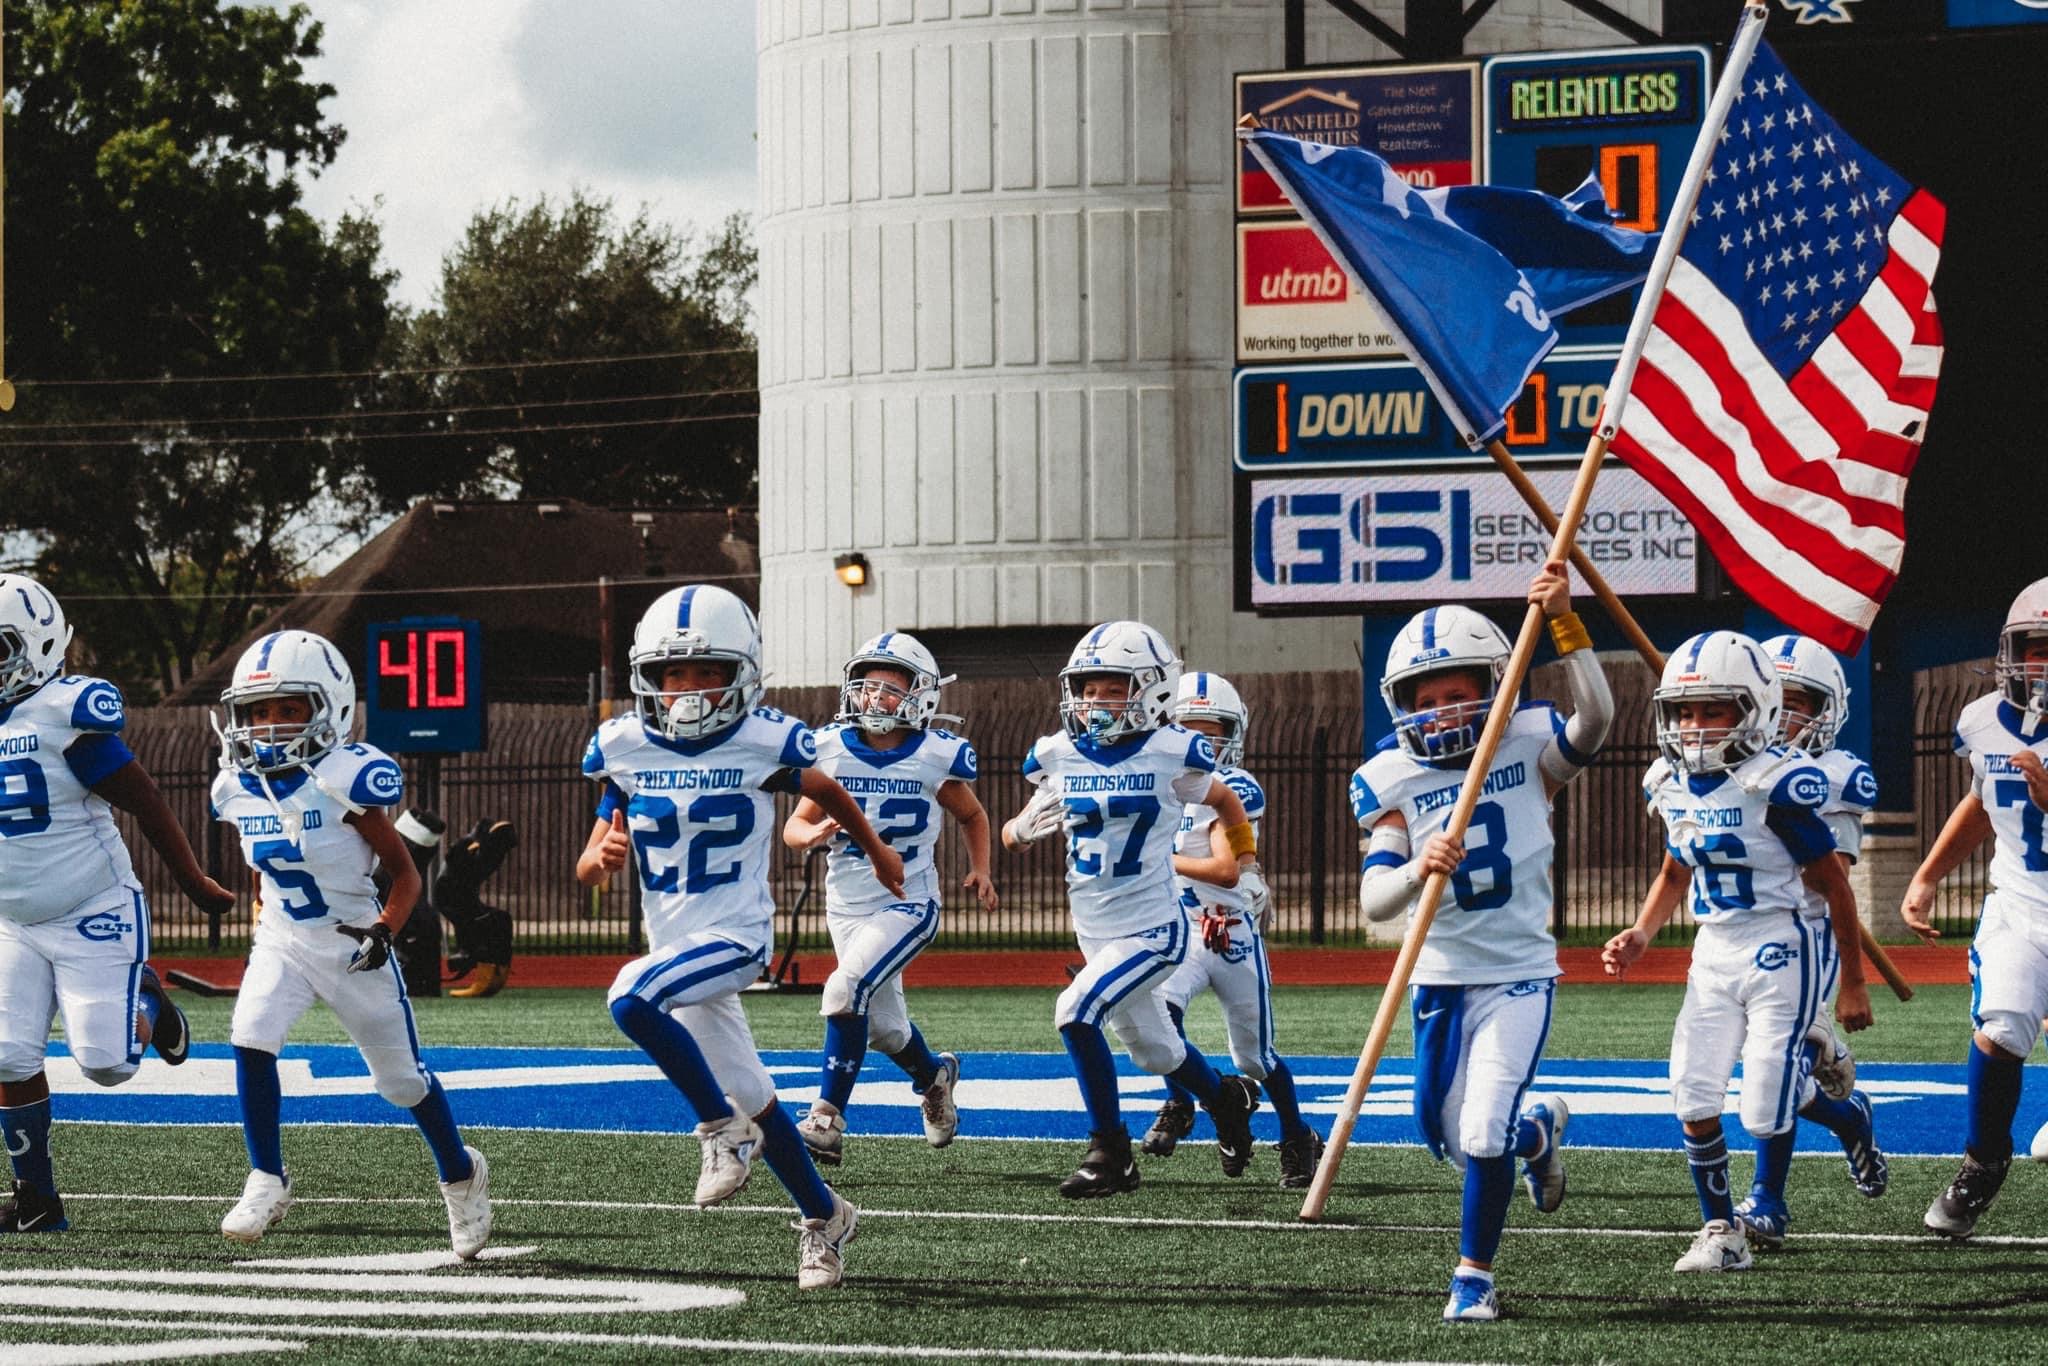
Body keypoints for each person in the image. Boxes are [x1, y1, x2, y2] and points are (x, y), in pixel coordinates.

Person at [577, 584, 903, 1289]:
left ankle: (719, 1135)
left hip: (735, 936)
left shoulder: (767, 738)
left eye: (706, 672)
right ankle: (826, 1217)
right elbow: (592, 850)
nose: (687, 689)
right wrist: (597, 859)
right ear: (649, 679)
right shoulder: (624, 745)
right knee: (755, 1093)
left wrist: (876, 851)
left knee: (629, 998)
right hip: (677, 950)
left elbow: (831, 791)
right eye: (672, 674)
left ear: (742, 673)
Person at [1349, 564, 1610, 1322]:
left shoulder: (1527, 747)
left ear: (1492, 686)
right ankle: (1543, 1133)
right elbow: (1373, 900)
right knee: (1452, 1140)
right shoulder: (1391, 779)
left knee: (1484, 1125)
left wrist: (1566, 623)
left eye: (1456, 694)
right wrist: (1412, 871)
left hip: (1519, 973)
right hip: (1439, 976)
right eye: (1424, 701)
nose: (1438, 712)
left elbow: (1594, 721)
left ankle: (1474, 1277)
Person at [1605, 629, 1884, 1277]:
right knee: (1693, 1095)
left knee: (1763, 1103)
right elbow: (1678, 868)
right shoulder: (1672, 783)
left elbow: (1835, 884)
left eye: (1714, 710)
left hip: (1783, 942)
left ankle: (1838, 1118)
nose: (1695, 727)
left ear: (1752, 710)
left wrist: (1852, 981)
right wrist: (1643, 933)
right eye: (1684, 711)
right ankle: (1722, 1231)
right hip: (1715, 949)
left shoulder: (1776, 784)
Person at [208, 629, 492, 1256]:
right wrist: (263, 901)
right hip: (284, 937)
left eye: (289, 709)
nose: (271, 726)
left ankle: (460, 1171)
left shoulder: (346, 778)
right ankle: (266, 1176)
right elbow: (267, 860)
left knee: (400, 1082)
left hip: (352, 940)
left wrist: (386, 929)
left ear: (328, 709)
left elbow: (407, 874)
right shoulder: (235, 785)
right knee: (250, 1037)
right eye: (258, 712)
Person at [0, 574, 234, 1233]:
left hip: (91, 910)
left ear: (41, 645)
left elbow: (148, 802)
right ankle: (37, 1201)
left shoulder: (63, 715)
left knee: (106, 1065)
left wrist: (192, 880)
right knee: (7, 1055)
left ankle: (150, 1000)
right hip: (13, 922)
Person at [1001, 621, 1262, 1198]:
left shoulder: (1175, 750)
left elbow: (1225, 800)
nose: (1095, 701)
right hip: (1094, 931)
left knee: (1075, 1012)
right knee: (1156, 1051)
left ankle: (1109, 1152)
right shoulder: (1057, 753)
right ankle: (1226, 1099)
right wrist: (1017, 831)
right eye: (1087, 688)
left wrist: (1246, 865)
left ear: (1153, 690)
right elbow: (1014, 829)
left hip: (1154, 930)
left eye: (1111, 688)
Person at [783, 631, 995, 1166]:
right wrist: (806, 837)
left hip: (909, 901)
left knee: (843, 989)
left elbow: (971, 814)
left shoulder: (933, 753)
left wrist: (981, 868)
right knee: (883, 1028)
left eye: (891, 687)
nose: (876, 697)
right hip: (846, 903)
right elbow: (794, 827)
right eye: (868, 685)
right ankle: (935, 1077)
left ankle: (826, 1118)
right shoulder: (829, 748)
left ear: (920, 695)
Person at [1902, 576, 2048, 1237]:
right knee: (2003, 1024)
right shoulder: (1980, 719)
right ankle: (1984, 1162)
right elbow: (1984, 800)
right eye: (2034, 647)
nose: (2041, 664)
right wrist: (1928, 875)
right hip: (2021, 903)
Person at [1143, 671, 1325, 1189]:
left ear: (1233, 734)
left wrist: (1163, 858)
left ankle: (1296, 1136)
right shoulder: (1157, 783)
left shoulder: (1236, 787)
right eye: (1189, 728)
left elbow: (1225, 871)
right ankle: (1181, 1102)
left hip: (1233, 935)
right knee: (1159, 1018)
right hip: (1182, 928)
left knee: (1255, 1057)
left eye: (1212, 730)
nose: (1201, 742)